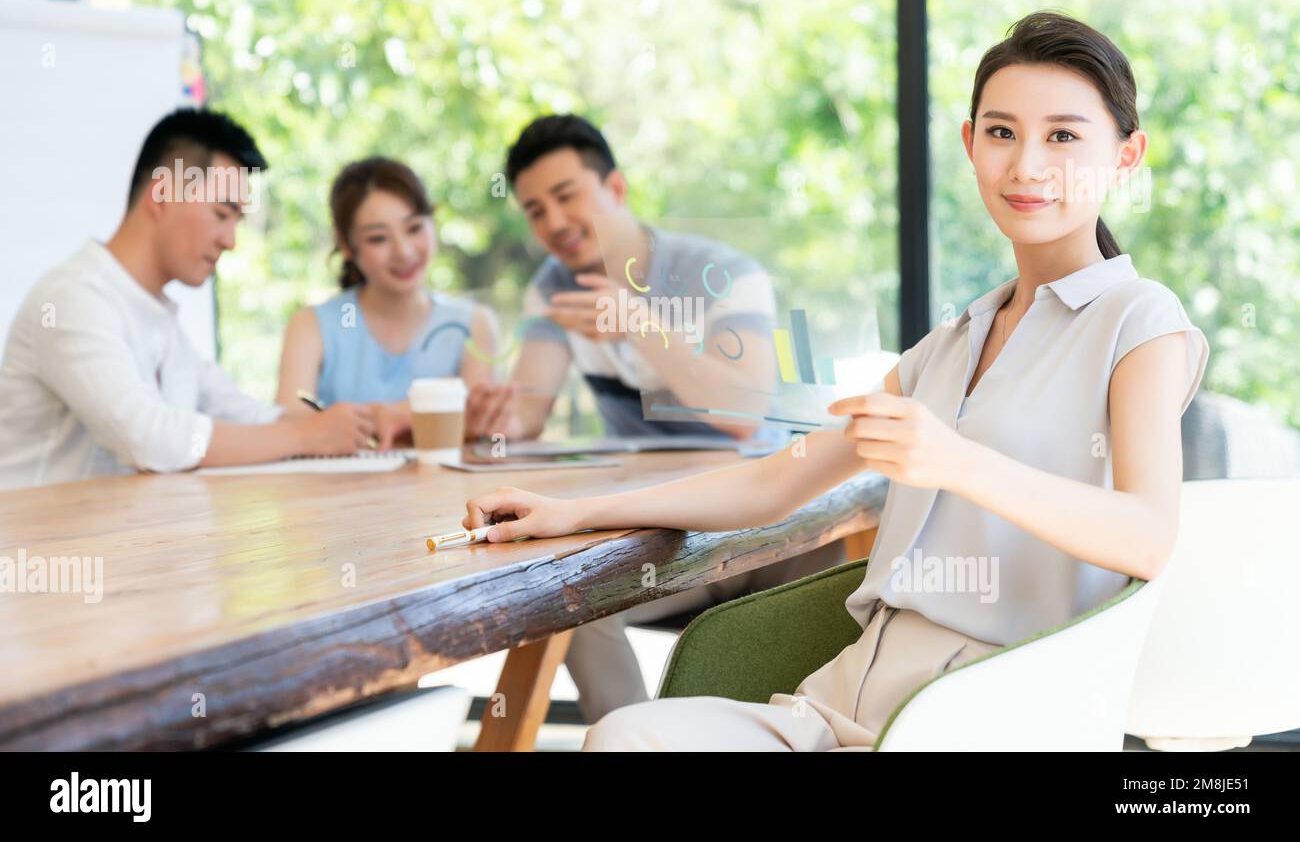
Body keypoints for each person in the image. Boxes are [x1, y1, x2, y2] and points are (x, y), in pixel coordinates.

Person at [461, 12, 1211, 750]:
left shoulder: (1139, 320)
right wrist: (575, 512)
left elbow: (1147, 536)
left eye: (1065, 136)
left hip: (987, 712)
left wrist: (957, 460)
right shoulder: (954, 339)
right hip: (837, 704)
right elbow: (773, 484)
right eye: (1002, 132)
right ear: (970, 143)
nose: (1027, 165)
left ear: (1127, 153)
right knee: (628, 734)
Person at [463, 113, 844, 724]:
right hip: (650, 522)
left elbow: (743, 415)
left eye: (566, 196)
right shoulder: (554, 286)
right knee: (564, 599)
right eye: (535, 210)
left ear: (615, 189)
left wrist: (638, 322)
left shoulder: (724, 274)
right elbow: (527, 415)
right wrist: (489, 417)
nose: (554, 223)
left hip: (752, 524)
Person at [0, 108, 375, 492]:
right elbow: (146, 437)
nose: (230, 240)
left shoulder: (156, 314)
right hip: (39, 547)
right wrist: (307, 437)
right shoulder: (73, 298)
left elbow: (233, 409)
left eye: (236, 221)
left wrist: (334, 426)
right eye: (221, 214)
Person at [275, 157, 496, 447]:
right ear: (346, 246)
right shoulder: (310, 325)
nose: (403, 252)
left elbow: (479, 423)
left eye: (414, 228)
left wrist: (393, 415)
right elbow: (291, 429)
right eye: (378, 238)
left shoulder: (474, 324)